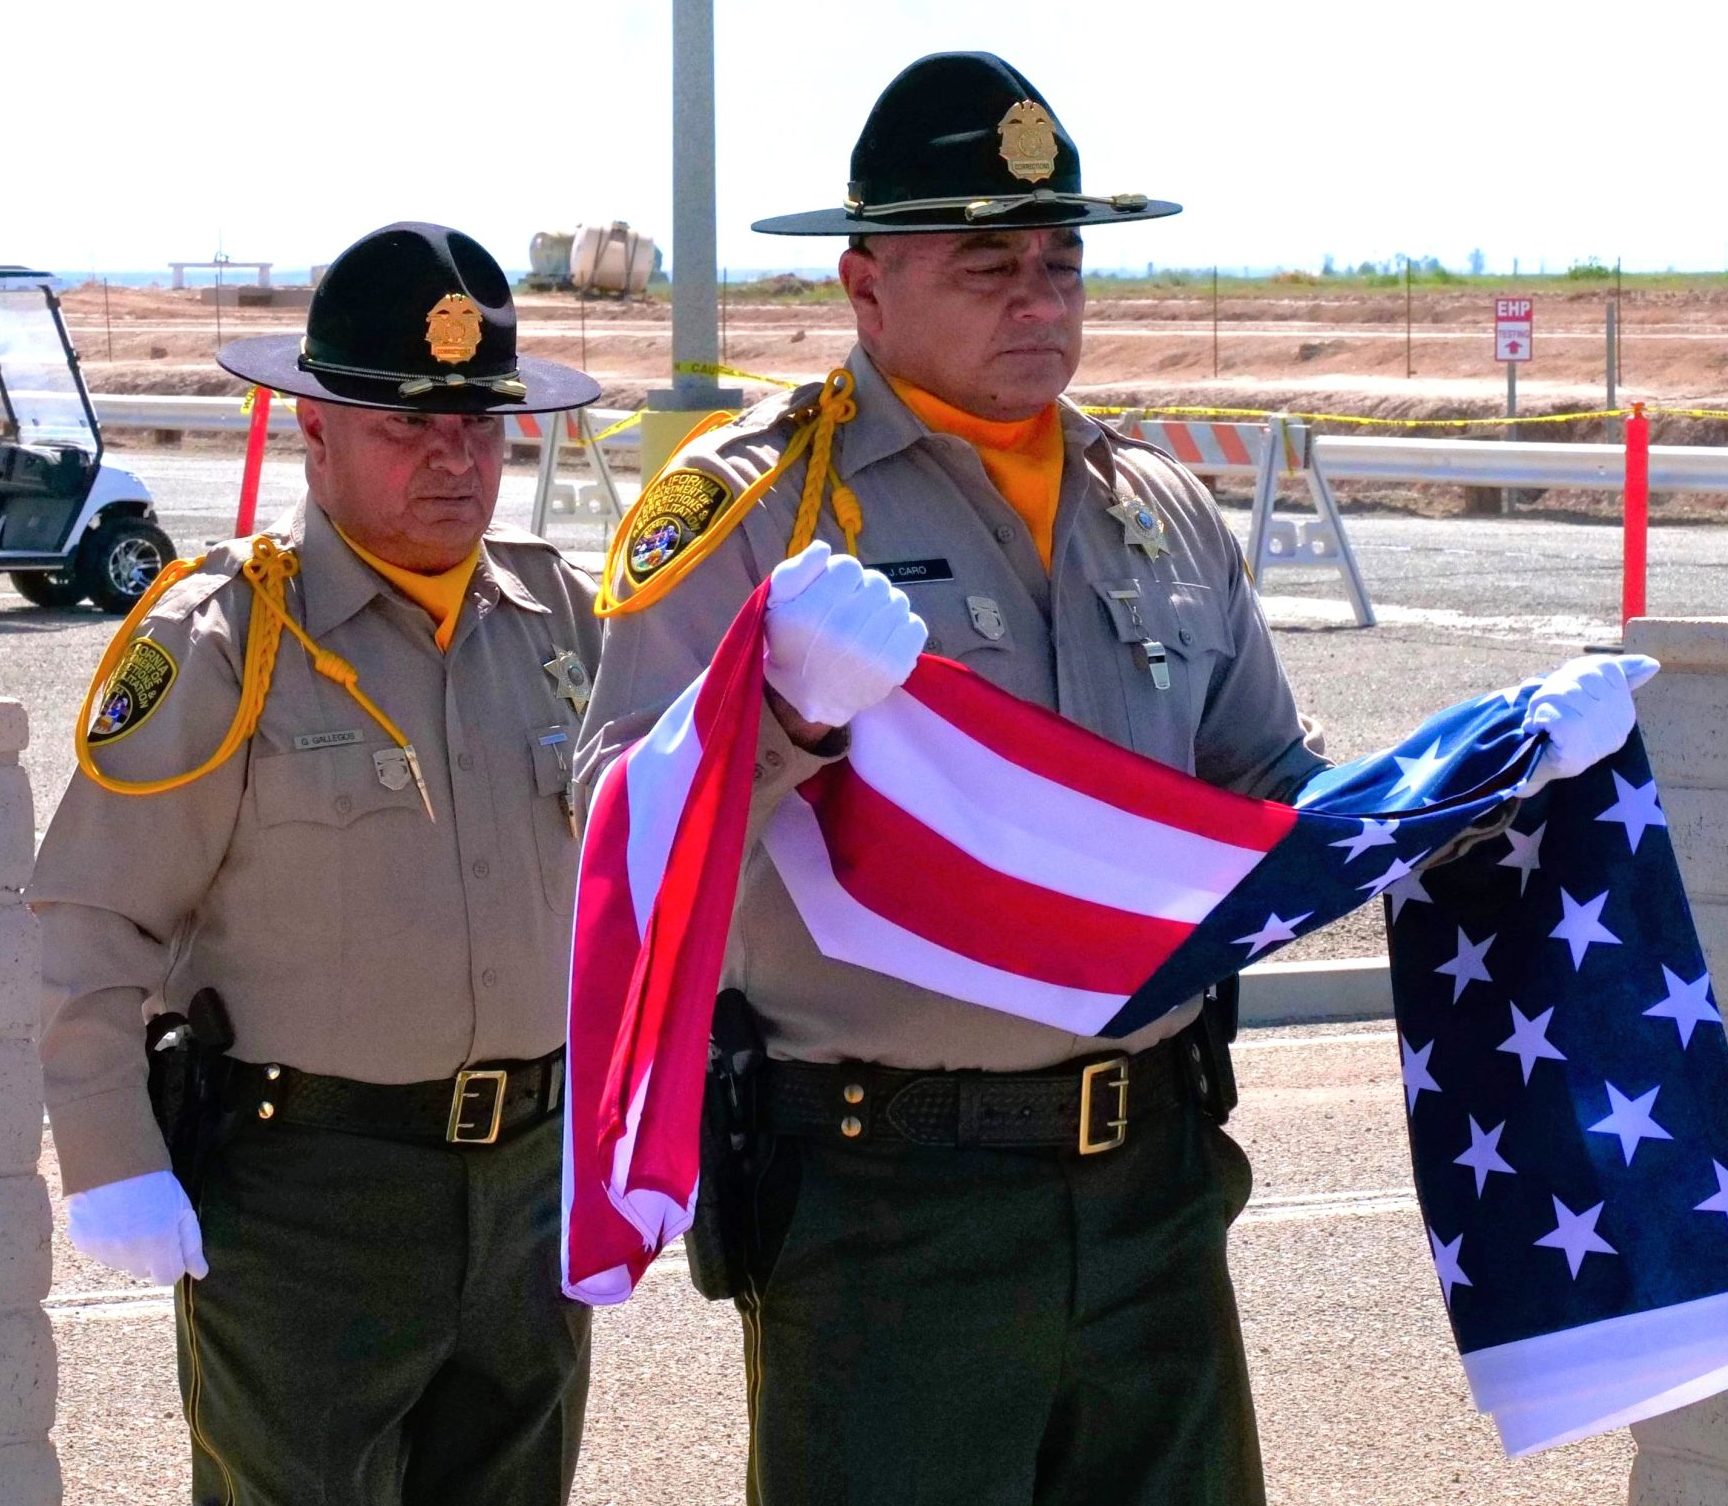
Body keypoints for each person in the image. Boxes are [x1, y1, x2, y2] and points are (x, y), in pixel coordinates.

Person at [577, 52, 1639, 1505]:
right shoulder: (754, 508)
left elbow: (1273, 797)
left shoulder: (1157, 505)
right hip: (891, 1196)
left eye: (1060, 259)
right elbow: (608, 817)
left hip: (1153, 1177)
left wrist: (1486, 775)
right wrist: (781, 718)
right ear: (864, 282)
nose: (1039, 294)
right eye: (988, 260)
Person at [33, 223, 604, 1506]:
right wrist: (113, 1148)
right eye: (409, 425)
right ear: (315, 431)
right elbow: (86, 921)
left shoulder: (558, 617)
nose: (454, 457)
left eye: (479, 421)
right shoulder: (221, 638)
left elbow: (657, 855)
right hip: (307, 1202)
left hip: (530, 1186)